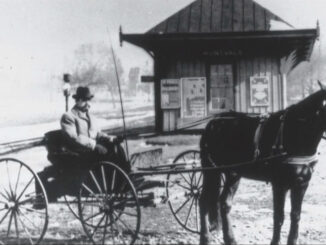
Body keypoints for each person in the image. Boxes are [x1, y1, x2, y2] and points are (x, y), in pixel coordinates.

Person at [60, 86, 130, 172]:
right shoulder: (68, 116)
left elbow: (97, 133)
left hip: (93, 150)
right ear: (78, 100)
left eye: (89, 101)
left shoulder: (91, 117)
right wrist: (94, 145)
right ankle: (116, 176)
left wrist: (111, 138)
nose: (89, 104)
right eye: (85, 100)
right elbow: (74, 137)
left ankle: (125, 173)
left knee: (117, 147)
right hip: (80, 153)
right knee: (107, 153)